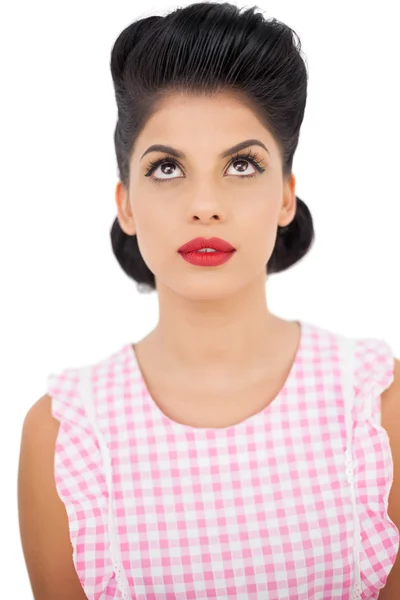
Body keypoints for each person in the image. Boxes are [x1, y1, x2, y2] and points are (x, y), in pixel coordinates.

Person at [17, 2, 400, 599]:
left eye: (242, 165)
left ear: (285, 197)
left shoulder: (377, 405)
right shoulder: (64, 435)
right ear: (125, 204)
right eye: (167, 168)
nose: (204, 204)